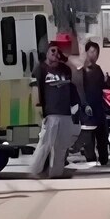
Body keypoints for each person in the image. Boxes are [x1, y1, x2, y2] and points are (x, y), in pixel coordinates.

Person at [29, 40, 79, 179]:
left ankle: (56, 173)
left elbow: (76, 74)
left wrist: (66, 59)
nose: (56, 54)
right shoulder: (41, 69)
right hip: (50, 113)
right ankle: (36, 170)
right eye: (53, 51)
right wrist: (38, 108)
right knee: (45, 144)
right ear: (46, 52)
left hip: (65, 113)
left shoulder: (65, 69)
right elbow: (34, 88)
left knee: (61, 146)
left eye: (58, 51)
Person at [78, 41, 110, 167]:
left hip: (99, 107)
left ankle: (104, 160)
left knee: (102, 135)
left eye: (97, 52)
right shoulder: (82, 70)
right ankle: (90, 160)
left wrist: (109, 82)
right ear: (86, 52)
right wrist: (85, 104)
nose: (95, 54)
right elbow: (80, 89)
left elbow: (102, 86)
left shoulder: (98, 69)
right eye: (92, 51)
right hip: (87, 108)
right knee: (88, 138)